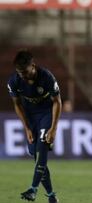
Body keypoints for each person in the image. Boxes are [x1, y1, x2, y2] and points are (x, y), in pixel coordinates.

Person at [7, 50, 61, 203]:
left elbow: (58, 101)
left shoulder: (47, 77)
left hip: (46, 114)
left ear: (33, 66)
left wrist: (53, 128)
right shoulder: (14, 81)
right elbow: (17, 105)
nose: (22, 75)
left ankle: (33, 188)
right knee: (37, 157)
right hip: (31, 118)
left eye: (25, 71)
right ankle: (51, 196)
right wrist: (27, 128)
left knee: (42, 148)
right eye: (19, 72)